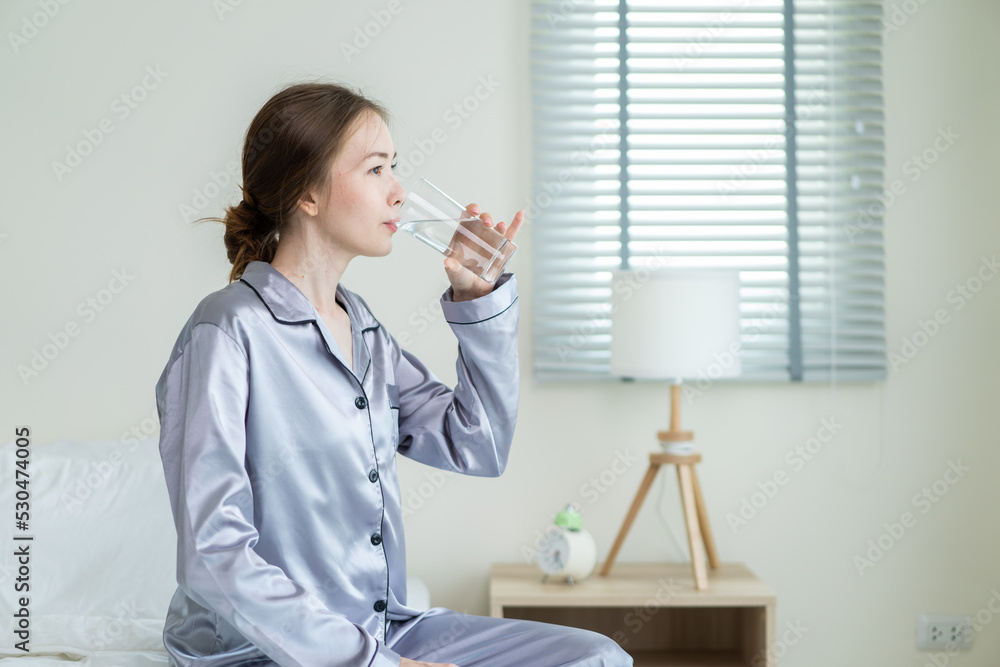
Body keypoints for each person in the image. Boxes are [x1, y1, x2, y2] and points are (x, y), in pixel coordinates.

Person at [154, 81, 633, 667]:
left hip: (385, 632)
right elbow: (213, 554)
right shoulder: (226, 331)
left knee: (596, 658)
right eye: (377, 169)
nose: (399, 192)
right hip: (262, 652)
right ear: (307, 193)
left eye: (394, 168)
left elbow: (476, 444)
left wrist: (475, 298)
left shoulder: (365, 330)